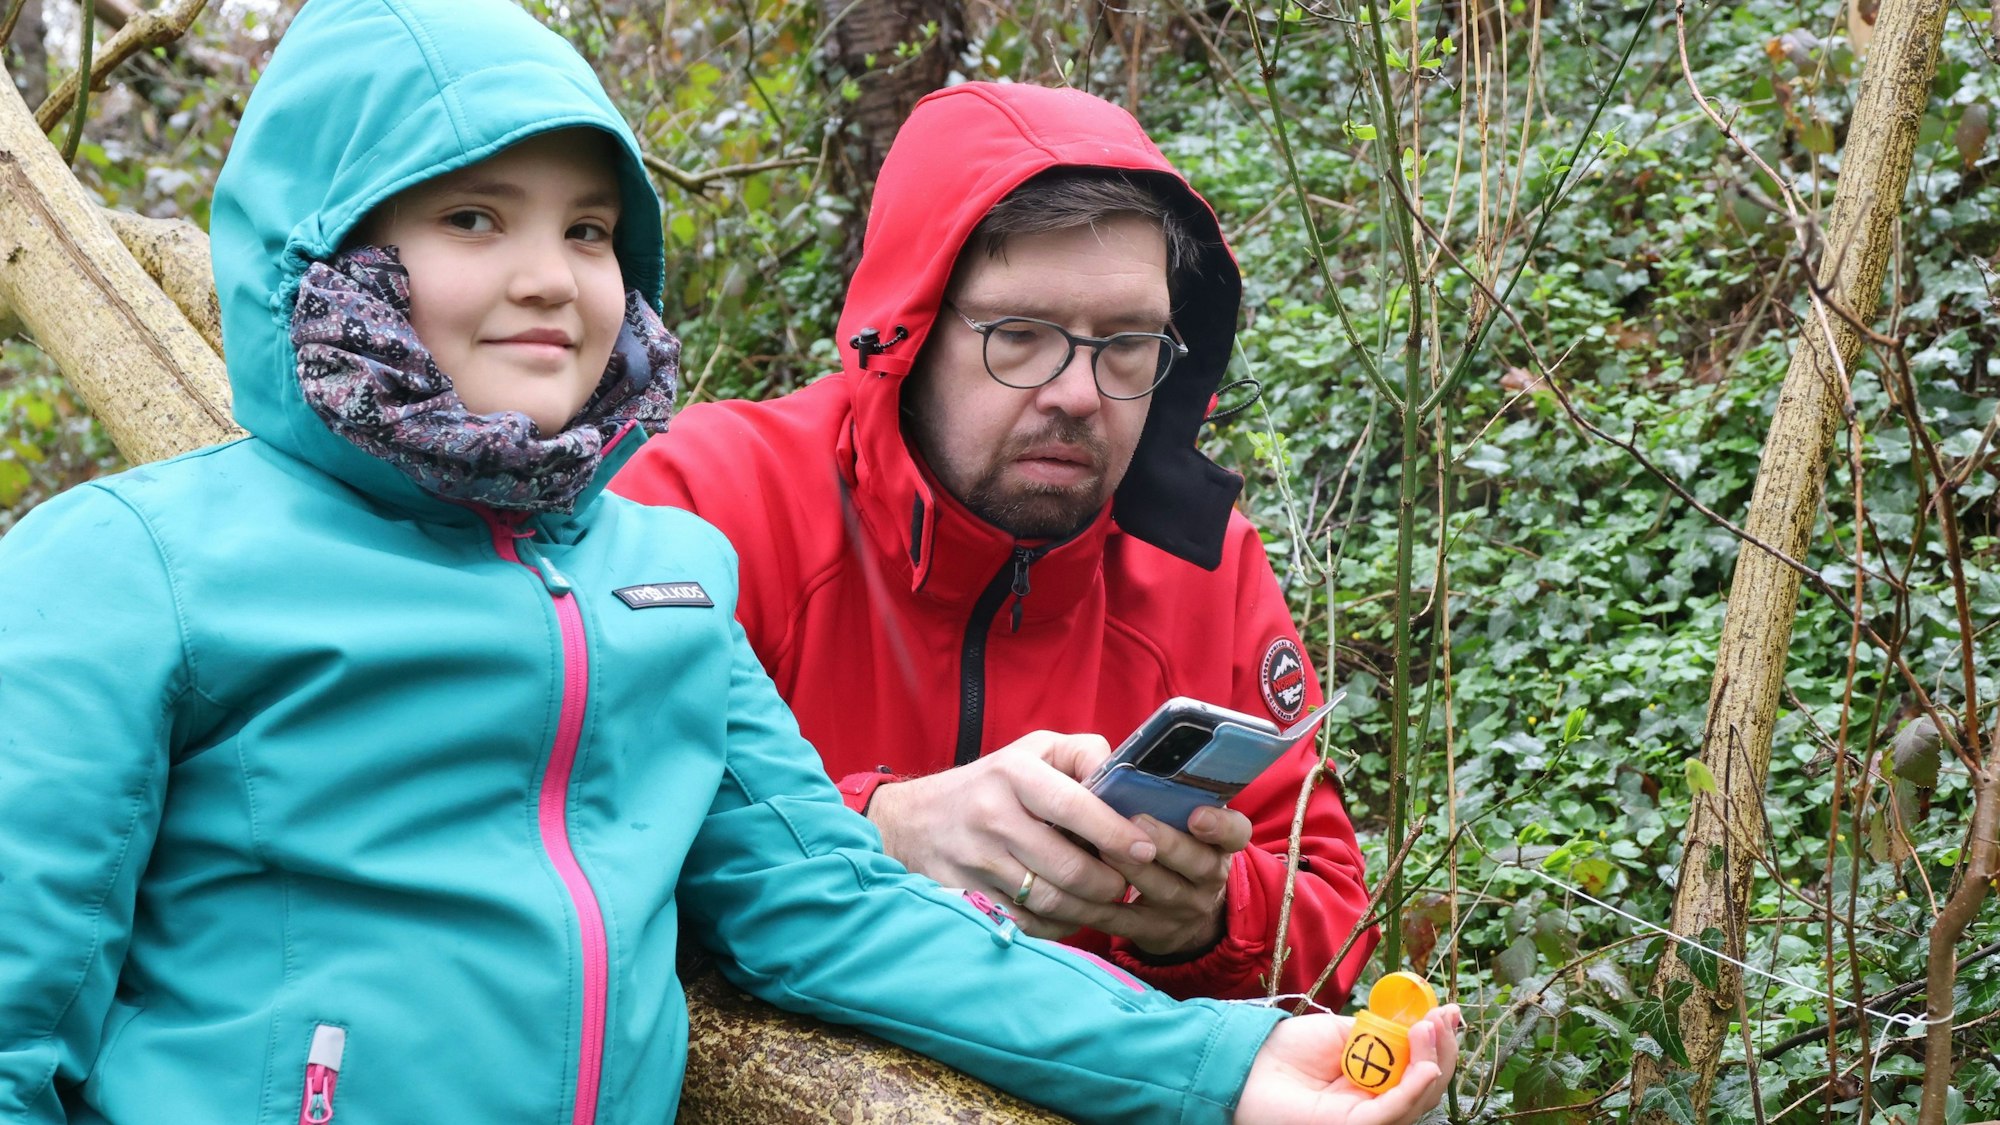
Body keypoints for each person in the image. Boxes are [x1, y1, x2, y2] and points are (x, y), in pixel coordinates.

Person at [0, 0, 1461, 1121]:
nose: (548, 276)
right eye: (468, 218)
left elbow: (837, 914)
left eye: (588, 229)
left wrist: (1230, 1062)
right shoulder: (127, 567)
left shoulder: (655, 574)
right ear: (323, 255)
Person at [613, 82, 1376, 1003]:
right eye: (1020, 336)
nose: (1080, 394)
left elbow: (1338, 917)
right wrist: (875, 826)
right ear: (911, 330)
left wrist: (1210, 920)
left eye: (1127, 343)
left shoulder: (1201, 566)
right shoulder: (709, 497)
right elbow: (569, 824)